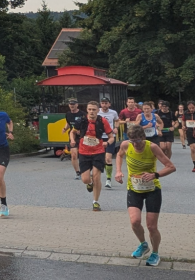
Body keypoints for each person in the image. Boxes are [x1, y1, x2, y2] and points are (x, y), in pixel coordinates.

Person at [115, 125, 176, 267]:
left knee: (151, 226)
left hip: (152, 190)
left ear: (143, 137)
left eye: (137, 141)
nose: (135, 144)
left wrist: (155, 174)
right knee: (135, 221)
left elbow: (171, 167)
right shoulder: (126, 145)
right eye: (132, 141)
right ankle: (143, 244)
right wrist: (118, 171)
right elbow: (119, 155)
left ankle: (155, 252)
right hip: (134, 188)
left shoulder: (152, 147)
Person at [72, 101, 112, 212]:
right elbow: (73, 132)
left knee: (96, 177)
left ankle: (95, 202)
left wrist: (107, 142)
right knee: (85, 179)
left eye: (94, 109)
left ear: (98, 110)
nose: (91, 112)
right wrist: (72, 140)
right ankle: (89, 184)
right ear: (87, 110)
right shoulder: (82, 120)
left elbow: (111, 136)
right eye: (89, 109)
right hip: (84, 152)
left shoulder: (102, 121)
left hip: (98, 152)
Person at [98, 98, 121, 189]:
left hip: (110, 137)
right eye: (102, 103)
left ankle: (108, 179)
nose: (104, 105)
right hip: (99, 137)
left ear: (109, 104)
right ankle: (95, 177)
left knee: (108, 158)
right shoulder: (97, 112)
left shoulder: (113, 112)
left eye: (106, 103)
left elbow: (117, 120)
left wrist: (116, 128)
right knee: (99, 157)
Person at [62, 99, 83, 179]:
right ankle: (77, 172)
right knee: (74, 155)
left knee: (83, 155)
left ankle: (85, 170)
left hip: (82, 136)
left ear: (77, 105)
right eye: (70, 104)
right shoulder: (68, 114)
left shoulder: (82, 114)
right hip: (72, 136)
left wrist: (80, 130)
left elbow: (86, 124)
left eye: (73, 104)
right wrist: (65, 128)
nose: (72, 105)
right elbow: (68, 123)